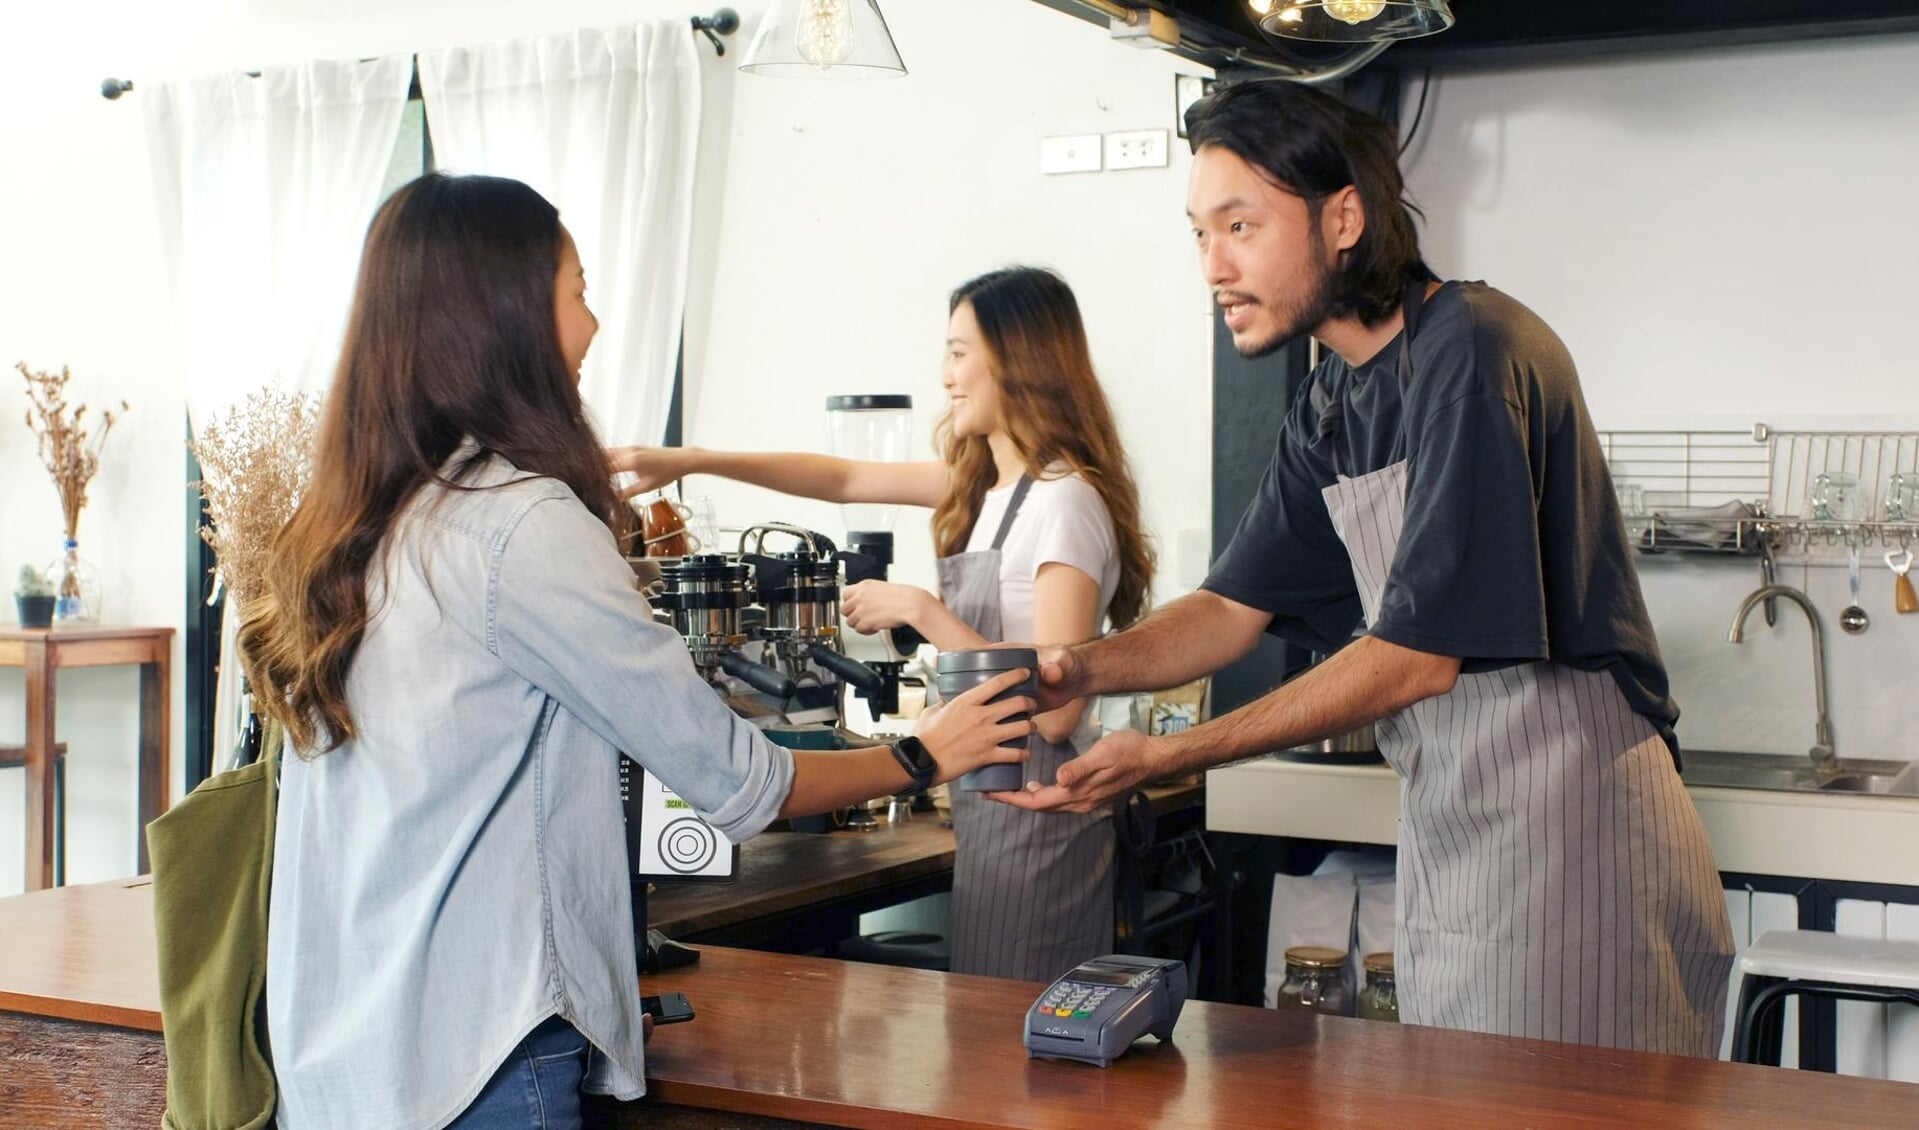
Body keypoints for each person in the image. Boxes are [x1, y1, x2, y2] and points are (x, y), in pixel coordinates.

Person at [238, 173, 1033, 1130]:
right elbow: (741, 779)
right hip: (481, 1053)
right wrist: (921, 752)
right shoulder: (520, 525)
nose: (595, 324)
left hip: (341, 1059)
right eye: (576, 291)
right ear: (506, 316)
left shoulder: (348, 525)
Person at [998, 81, 1736, 1057]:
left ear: (1341, 215)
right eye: (1197, 232)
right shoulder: (1330, 407)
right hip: (1455, 833)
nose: (1212, 265)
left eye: (1240, 224)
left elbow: (1413, 657)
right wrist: (1076, 665)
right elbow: (1228, 607)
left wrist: (1168, 754)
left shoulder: (1470, 348)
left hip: (1578, 834)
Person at [609, 265, 1155, 982]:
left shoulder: (1065, 503)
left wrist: (923, 612)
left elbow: (1058, 713)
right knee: (987, 1051)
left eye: (960, 352)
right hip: (993, 811)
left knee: (1025, 1059)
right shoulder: (990, 489)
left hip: (1046, 815)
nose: (946, 376)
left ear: (1019, 359)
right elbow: (841, 478)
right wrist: (690, 460)